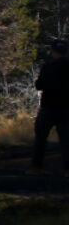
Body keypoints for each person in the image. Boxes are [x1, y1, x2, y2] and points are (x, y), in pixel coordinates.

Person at [34, 39, 69, 172]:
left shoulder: (48, 66)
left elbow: (39, 85)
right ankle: (67, 170)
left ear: (53, 51)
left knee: (40, 139)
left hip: (48, 107)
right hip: (66, 109)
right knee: (66, 141)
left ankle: (36, 167)